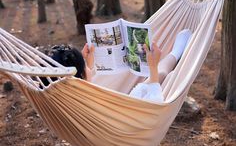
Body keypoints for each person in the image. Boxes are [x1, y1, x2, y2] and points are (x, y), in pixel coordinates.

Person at [45, 29, 192, 102]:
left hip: (111, 116)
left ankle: (175, 55)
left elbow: (83, 83)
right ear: (81, 75)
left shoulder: (64, 95)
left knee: (160, 76)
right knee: (161, 75)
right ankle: (176, 53)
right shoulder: (86, 99)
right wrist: (152, 67)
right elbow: (154, 103)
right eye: (85, 67)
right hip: (129, 118)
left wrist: (87, 65)